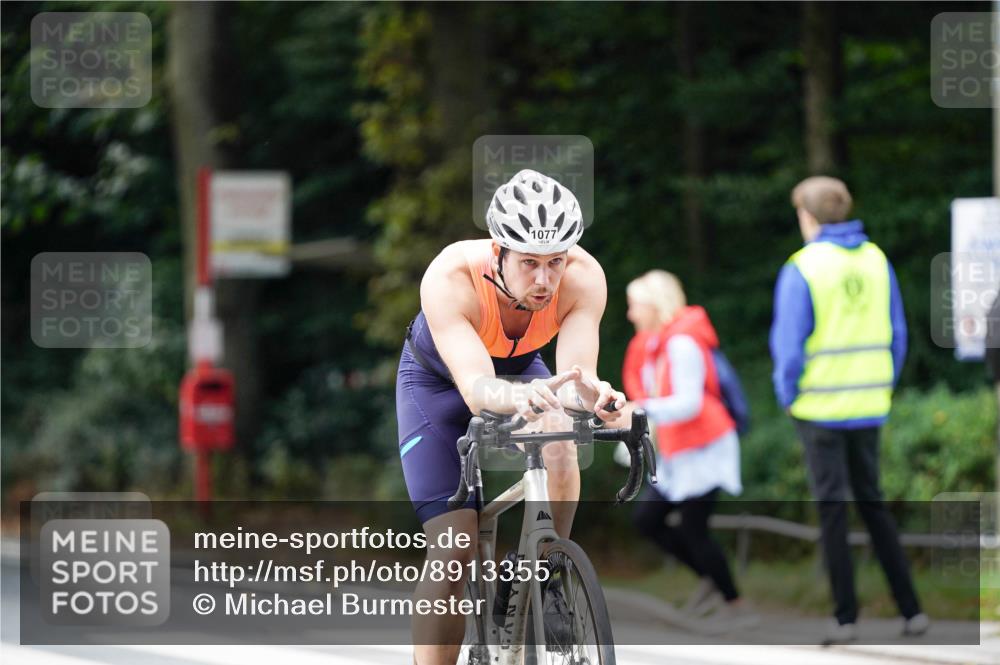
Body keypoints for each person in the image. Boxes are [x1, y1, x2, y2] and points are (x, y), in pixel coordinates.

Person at [396, 169, 626, 665]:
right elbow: (477, 389)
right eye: (529, 263)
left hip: (523, 373)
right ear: (498, 251)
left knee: (560, 433)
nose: (544, 280)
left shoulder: (584, 277)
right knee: (453, 549)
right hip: (439, 387)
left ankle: (546, 575)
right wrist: (519, 398)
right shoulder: (451, 276)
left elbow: (576, 378)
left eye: (555, 262)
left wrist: (597, 397)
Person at [770, 175, 929, 644]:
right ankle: (912, 611)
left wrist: (788, 396)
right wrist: (883, 385)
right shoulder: (877, 259)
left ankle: (846, 618)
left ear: (808, 216)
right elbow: (898, 334)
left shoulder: (803, 266)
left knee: (833, 510)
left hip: (819, 407)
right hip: (870, 403)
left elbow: (789, 347)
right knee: (873, 504)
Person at [618, 270, 752, 626]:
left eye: (635, 305)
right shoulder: (655, 345)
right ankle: (714, 581)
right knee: (649, 521)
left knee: (693, 529)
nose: (630, 314)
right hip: (679, 447)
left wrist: (640, 409)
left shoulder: (681, 344)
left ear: (654, 305)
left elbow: (689, 403)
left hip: (705, 445)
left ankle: (734, 603)